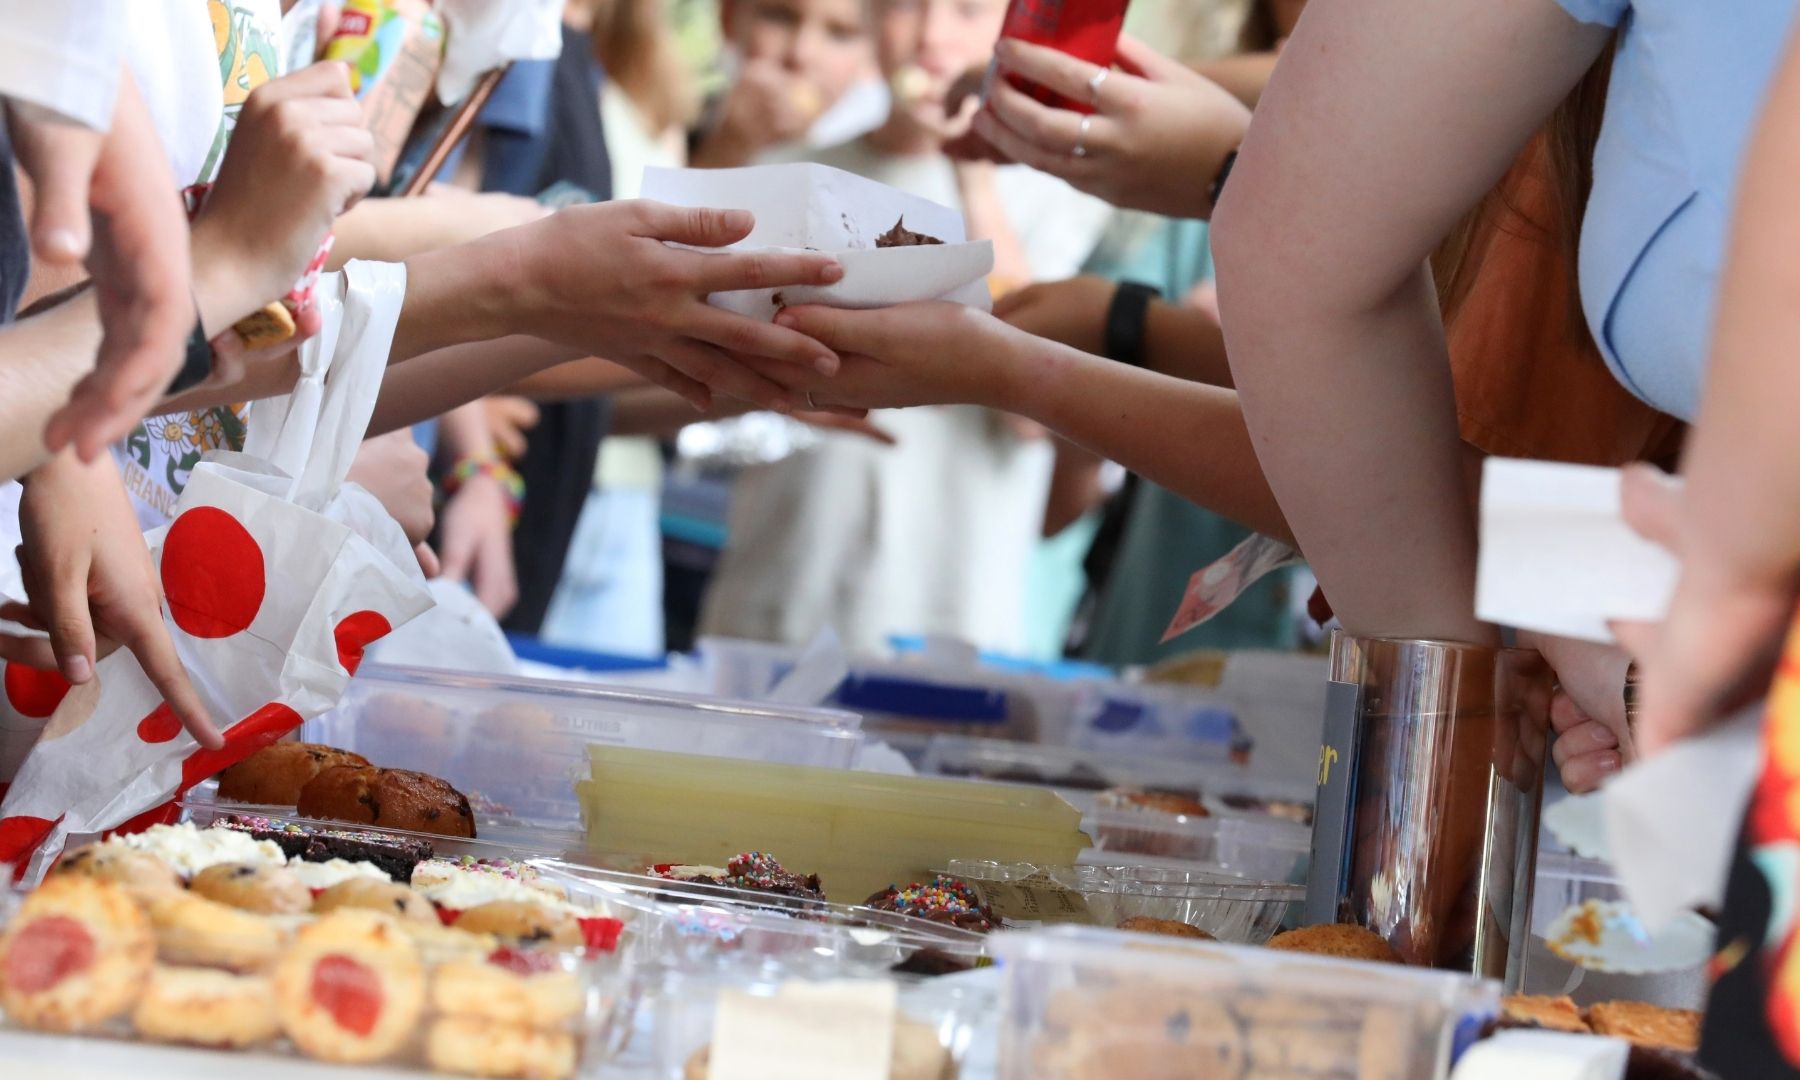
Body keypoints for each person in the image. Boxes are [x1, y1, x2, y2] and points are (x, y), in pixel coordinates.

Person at [695, 0, 1112, 655]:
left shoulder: (1056, 194)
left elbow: (1037, 418)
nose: (931, 37)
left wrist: (972, 174)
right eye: (905, 7)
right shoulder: (794, 169)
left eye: (967, 11)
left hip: (945, 609)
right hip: (780, 587)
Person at [688, 0, 881, 168]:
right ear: (727, 15)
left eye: (840, 33)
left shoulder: (882, 146)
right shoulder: (679, 123)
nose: (802, 53)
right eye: (780, 16)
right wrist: (725, 149)